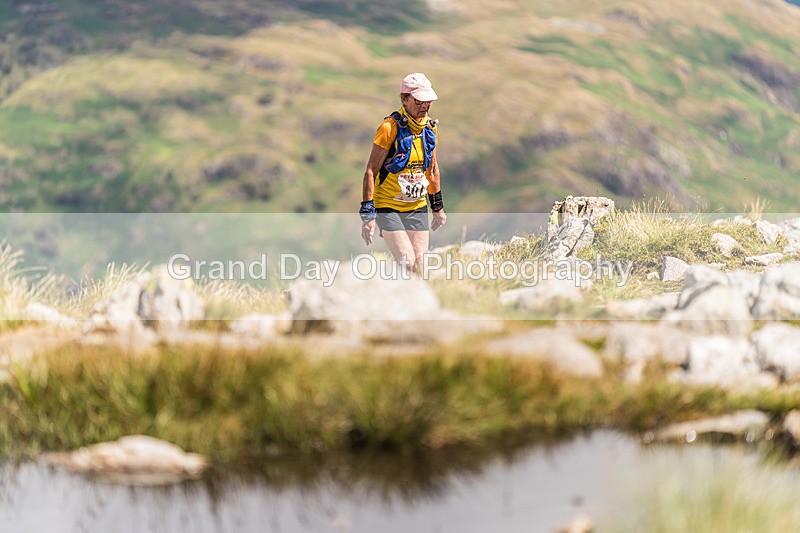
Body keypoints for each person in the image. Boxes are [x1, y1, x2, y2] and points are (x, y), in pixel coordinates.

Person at [359, 72, 447, 273]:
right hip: (388, 206)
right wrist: (367, 214)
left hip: (417, 206)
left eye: (428, 102)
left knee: (420, 266)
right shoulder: (388, 128)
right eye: (418, 101)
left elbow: (432, 170)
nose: (424, 106)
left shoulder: (429, 129)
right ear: (404, 99)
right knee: (407, 262)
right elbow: (371, 171)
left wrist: (438, 207)